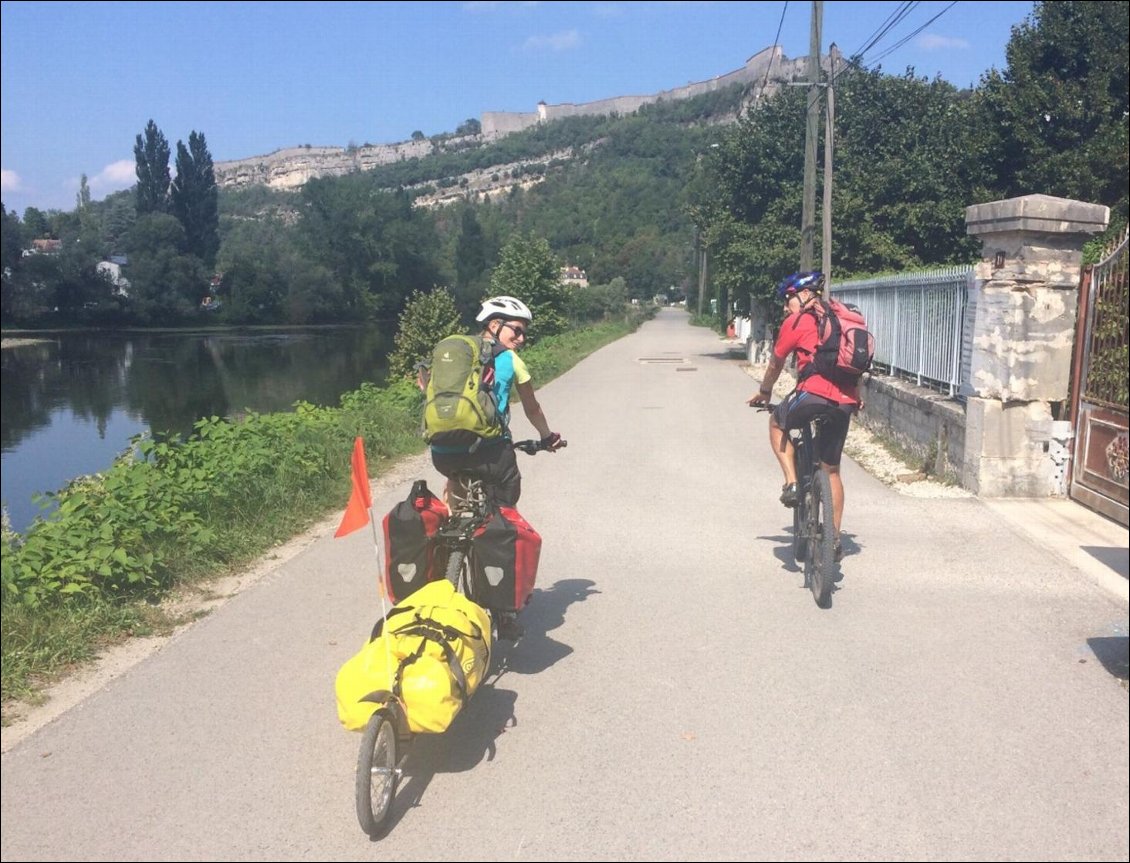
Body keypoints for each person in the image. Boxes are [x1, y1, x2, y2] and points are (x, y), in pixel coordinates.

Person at [428, 295, 564, 638]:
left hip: (444, 452)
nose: (520, 339)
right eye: (516, 331)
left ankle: (443, 572)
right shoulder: (510, 360)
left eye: (522, 334)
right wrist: (547, 437)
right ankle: (503, 612)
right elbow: (531, 407)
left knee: (456, 511)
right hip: (491, 454)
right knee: (504, 521)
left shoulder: (454, 355)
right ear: (494, 325)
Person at [747, 271, 860, 562]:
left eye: (789, 299)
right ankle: (834, 539)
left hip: (813, 394)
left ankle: (792, 483)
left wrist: (765, 391)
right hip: (845, 400)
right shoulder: (844, 317)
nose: (787, 307)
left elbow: (775, 363)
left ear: (804, 295)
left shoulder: (797, 322)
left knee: (777, 422)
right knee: (832, 470)